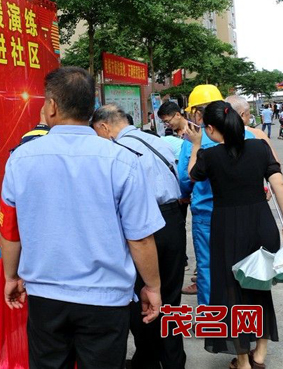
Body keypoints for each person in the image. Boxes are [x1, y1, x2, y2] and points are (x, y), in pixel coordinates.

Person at [0, 67, 164, 369]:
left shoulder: (20, 159)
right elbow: (140, 237)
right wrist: (152, 287)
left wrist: (11, 277)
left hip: (46, 297)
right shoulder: (122, 160)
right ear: (91, 107)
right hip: (105, 299)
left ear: (52, 106)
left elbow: (10, 230)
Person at [184, 101, 283, 369]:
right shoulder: (259, 147)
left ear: (211, 128)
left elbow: (192, 175)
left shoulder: (210, 156)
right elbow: (278, 182)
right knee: (260, 286)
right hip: (261, 224)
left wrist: (196, 145)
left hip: (228, 227)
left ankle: (243, 360)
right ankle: (260, 354)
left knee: (232, 291)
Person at [92, 104, 186, 369]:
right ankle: (174, 361)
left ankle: (147, 361)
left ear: (104, 127)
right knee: (171, 297)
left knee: (141, 297)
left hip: (144, 226)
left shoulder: (117, 151)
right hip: (174, 220)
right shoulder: (158, 142)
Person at [177, 85, 256, 302]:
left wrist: (185, 194)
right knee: (241, 263)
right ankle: (240, 313)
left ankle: (212, 316)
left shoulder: (193, 141)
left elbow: (185, 178)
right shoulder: (248, 136)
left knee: (208, 266)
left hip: (206, 214)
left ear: (197, 113)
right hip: (241, 212)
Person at [226, 95, 280, 163]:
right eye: (249, 113)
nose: (250, 116)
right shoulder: (257, 134)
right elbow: (274, 162)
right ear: (242, 115)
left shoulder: (215, 136)